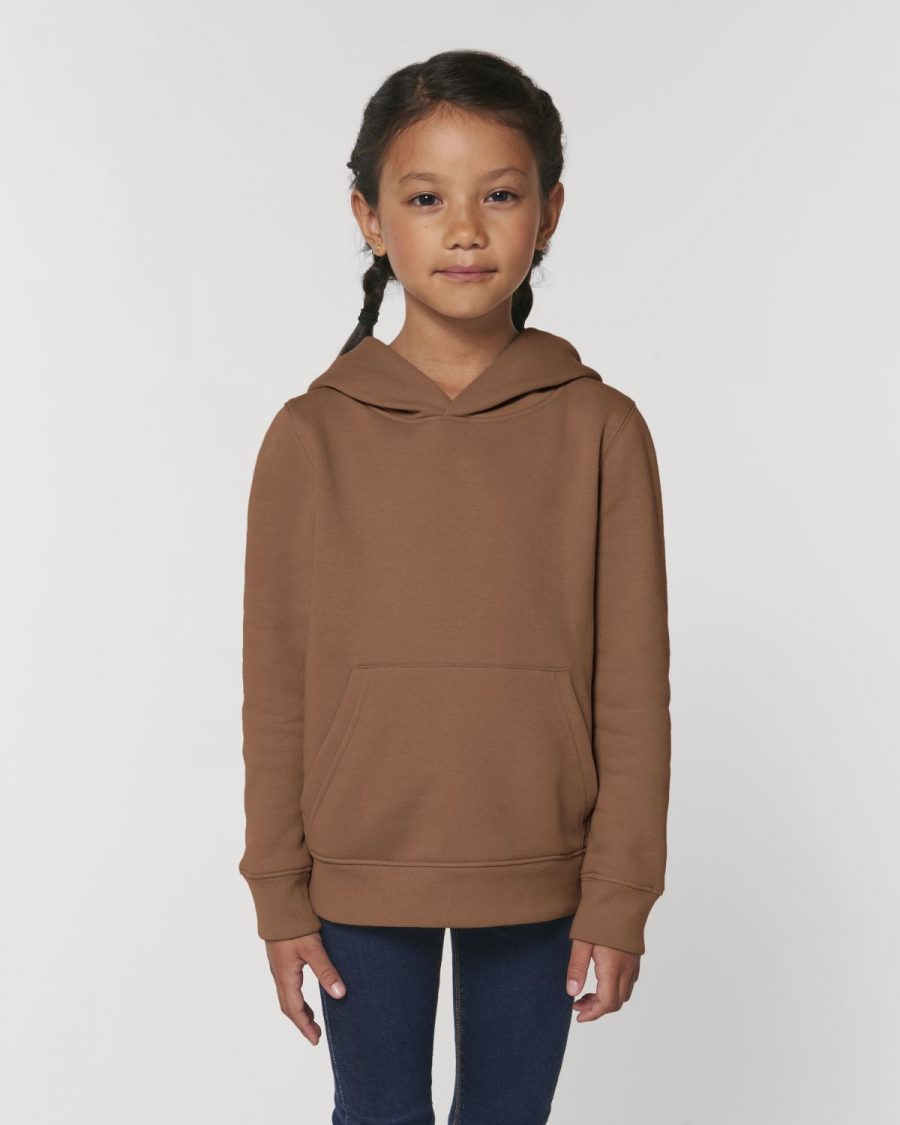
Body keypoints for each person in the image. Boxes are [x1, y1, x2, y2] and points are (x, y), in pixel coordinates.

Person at [238, 48, 672, 1125]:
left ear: (550, 212)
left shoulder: (601, 429)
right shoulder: (310, 436)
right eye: (427, 198)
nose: (466, 230)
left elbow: (632, 687)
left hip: (542, 870)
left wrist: (620, 895)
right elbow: (276, 689)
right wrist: (279, 892)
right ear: (371, 218)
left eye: (501, 195)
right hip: (359, 870)